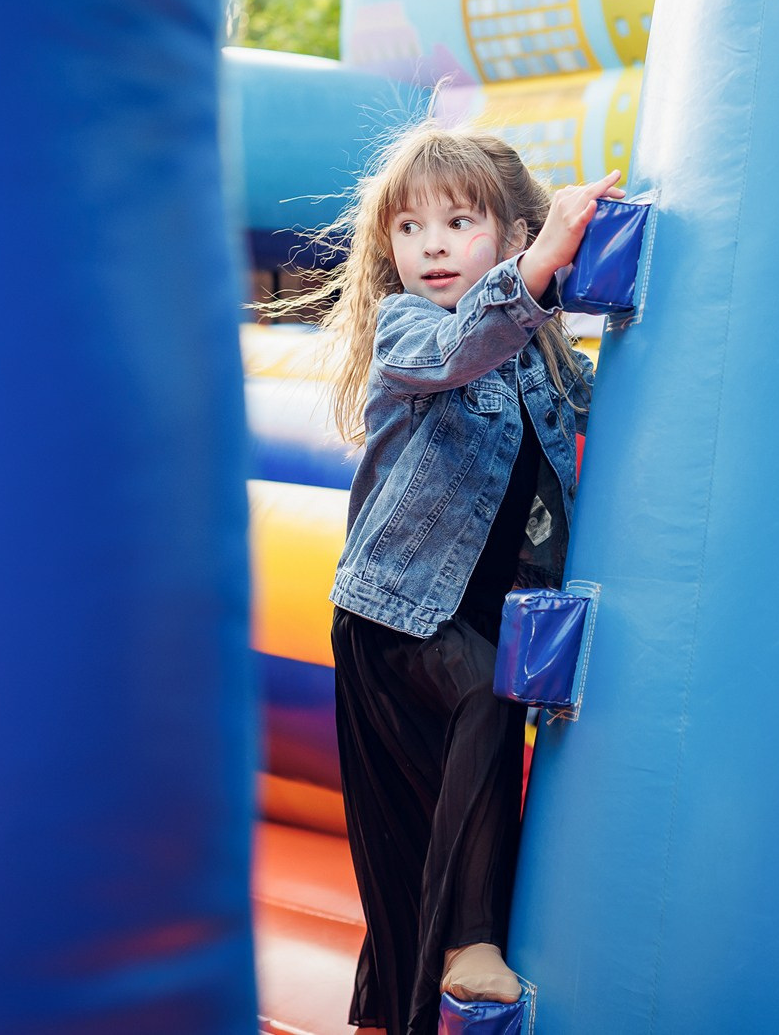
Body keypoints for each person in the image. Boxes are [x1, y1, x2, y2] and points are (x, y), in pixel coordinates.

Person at [268, 125, 622, 1035]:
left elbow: (606, 409)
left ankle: (402, 999)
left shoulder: (545, 361)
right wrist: (540, 268)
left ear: (508, 233)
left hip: (470, 618)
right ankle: (470, 942)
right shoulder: (410, 329)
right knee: (488, 696)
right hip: (394, 616)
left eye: (459, 221)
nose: (430, 244)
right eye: (410, 227)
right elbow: (460, 348)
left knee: (417, 845)